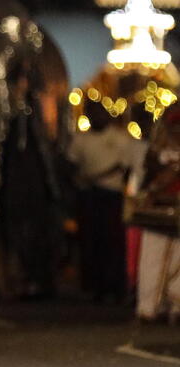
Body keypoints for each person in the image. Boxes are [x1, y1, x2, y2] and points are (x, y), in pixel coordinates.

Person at [68, 101, 140, 302]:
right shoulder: (80, 140)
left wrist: (98, 177)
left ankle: (115, 285)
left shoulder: (119, 138)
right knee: (91, 240)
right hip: (88, 194)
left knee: (112, 241)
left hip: (111, 194)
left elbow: (124, 167)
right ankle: (95, 285)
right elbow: (71, 163)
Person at [134, 108, 180, 320]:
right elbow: (148, 176)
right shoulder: (157, 150)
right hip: (159, 209)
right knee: (152, 259)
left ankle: (174, 305)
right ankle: (150, 307)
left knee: (176, 261)